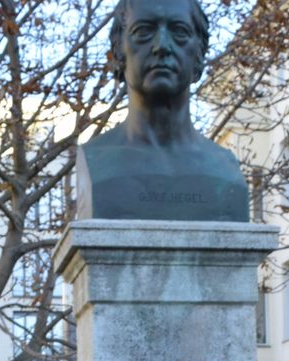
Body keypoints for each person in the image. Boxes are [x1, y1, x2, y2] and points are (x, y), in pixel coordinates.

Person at [76, 0, 248, 221]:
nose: (162, 46)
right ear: (119, 53)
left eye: (180, 32)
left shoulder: (225, 169)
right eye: (143, 31)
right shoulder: (97, 160)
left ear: (199, 55)